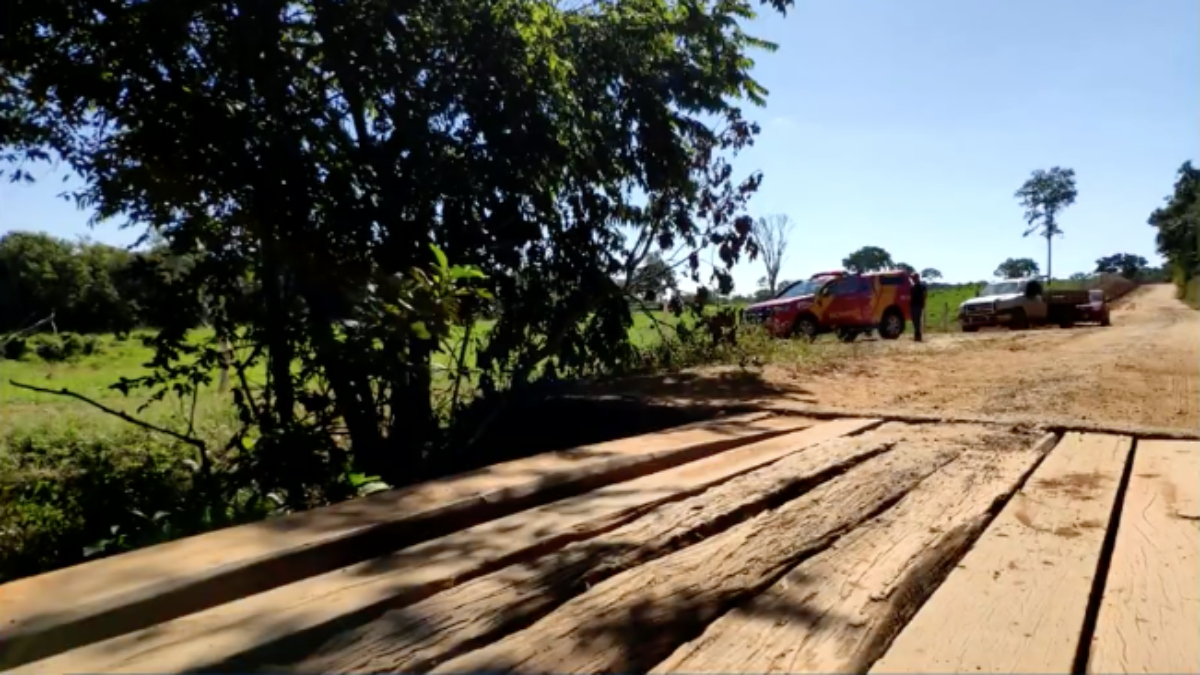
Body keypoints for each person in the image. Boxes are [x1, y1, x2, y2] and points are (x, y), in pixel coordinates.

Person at [910, 272, 927, 342]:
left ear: (917, 278)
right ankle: (916, 335)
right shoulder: (912, 286)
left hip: (918, 305)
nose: (912, 279)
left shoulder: (921, 286)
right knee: (914, 320)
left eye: (913, 277)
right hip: (913, 305)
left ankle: (918, 335)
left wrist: (923, 302)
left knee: (917, 320)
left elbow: (925, 294)